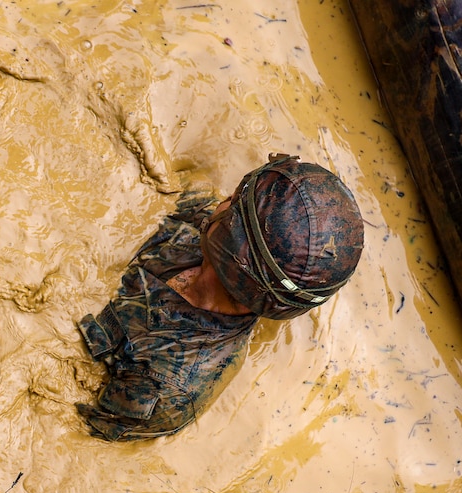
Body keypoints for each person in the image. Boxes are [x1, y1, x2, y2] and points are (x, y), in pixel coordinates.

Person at [76, 154, 364, 441]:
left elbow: (80, 427)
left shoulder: (170, 389)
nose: (225, 196)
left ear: (231, 241)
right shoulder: (203, 213)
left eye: (235, 199)